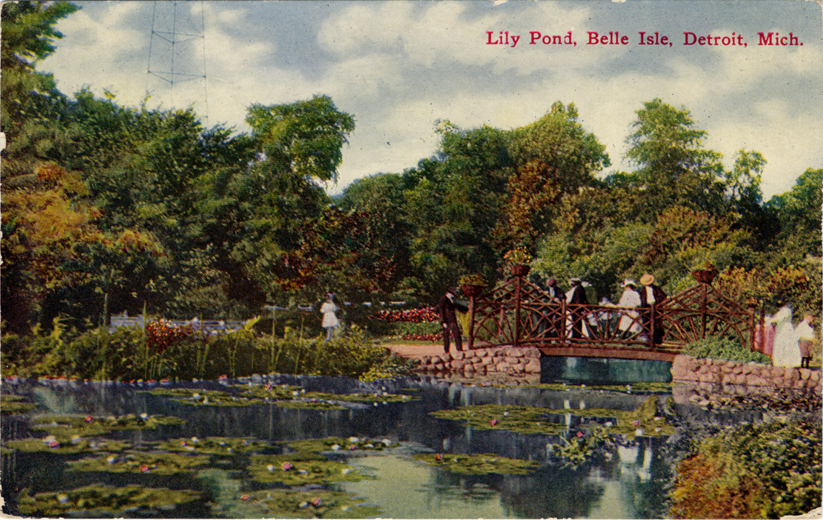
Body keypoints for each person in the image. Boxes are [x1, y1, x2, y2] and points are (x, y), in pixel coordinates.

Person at [639, 273, 667, 344]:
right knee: (647, 324)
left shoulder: (657, 289)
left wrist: (659, 303)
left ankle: (657, 340)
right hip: (647, 308)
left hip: (656, 307)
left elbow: (663, 297)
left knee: (657, 324)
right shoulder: (643, 291)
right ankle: (649, 340)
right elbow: (642, 301)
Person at [438, 287, 467, 353]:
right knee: (446, 336)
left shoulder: (451, 300)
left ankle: (459, 349)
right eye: (452, 294)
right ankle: (447, 351)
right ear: (448, 293)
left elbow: (457, 307)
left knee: (457, 334)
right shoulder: (443, 299)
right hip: (447, 320)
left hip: (452, 320)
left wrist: (466, 309)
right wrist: (443, 321)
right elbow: (441, 311)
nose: (453, 295)